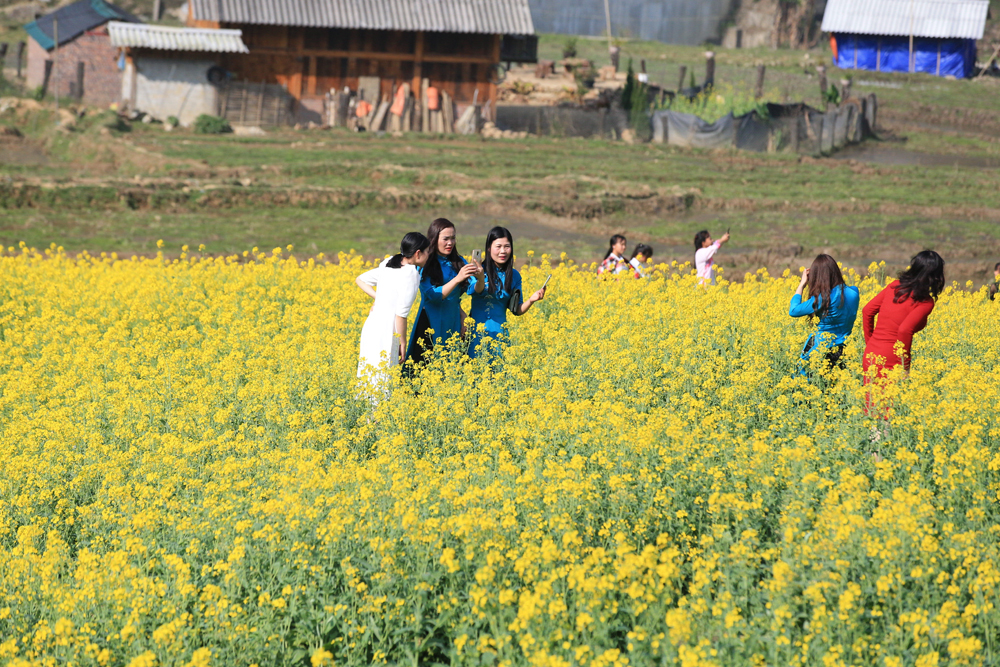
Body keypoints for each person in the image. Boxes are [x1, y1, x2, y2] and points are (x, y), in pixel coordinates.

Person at [355, 232, 431, 387]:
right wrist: (403, 342)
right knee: (383, 381)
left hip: (372, 326)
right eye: (427, 252)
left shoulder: (389, 262)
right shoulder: (411, 273)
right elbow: (401, 315)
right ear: (418, 253)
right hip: (387, 330)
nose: (429, 255)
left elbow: (360, 279)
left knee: (369, 380)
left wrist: (380, 299)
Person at [862, 250, 945, 381]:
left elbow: (867, 311)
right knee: (892, 400)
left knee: (872, 399)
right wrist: (904, 365)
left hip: (871, 353)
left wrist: (870, 343)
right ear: (935, 276)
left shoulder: (894, 286)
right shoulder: (925, 302)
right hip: (892, 357)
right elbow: (904, 330)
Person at [407, 218, 481, 364]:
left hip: (453, 320)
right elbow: (432, 295)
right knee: (424, 368)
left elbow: (473, 290)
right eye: (445, 239)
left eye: (453, 238)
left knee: (451, 366)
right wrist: (457, 279)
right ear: (434, 239)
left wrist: (480, 278)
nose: (450, 243)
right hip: (430, 320)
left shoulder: (459, 261)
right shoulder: (425, 262)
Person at [467, 226, 545, 358]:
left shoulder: (514, 275)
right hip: (476, 335)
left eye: (507, 246)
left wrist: (531, 300)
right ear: (489, 248)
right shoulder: (478, 269)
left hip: (500, 336)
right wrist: (480, 277)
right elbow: (476, 290)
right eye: (498, 246)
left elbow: (516, 310)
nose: (503, 251)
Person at [788, 254, 860, 373]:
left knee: (802, 379)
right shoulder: (854, 292)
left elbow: (793, 311)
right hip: (845, 350)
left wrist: (802, 284)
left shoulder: (824, 298)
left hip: (821, 349)